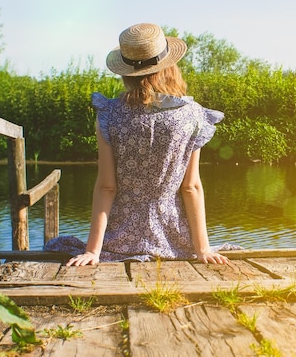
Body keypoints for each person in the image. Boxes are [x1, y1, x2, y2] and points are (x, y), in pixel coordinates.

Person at [44, 23, 235, 266]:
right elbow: (191, 187)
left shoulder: (109, 114)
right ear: (169, 68)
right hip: (174, 241)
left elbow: (106, 187)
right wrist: (203, 249)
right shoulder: (193, 116)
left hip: (118, 242)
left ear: (126, 73)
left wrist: (93, 252)